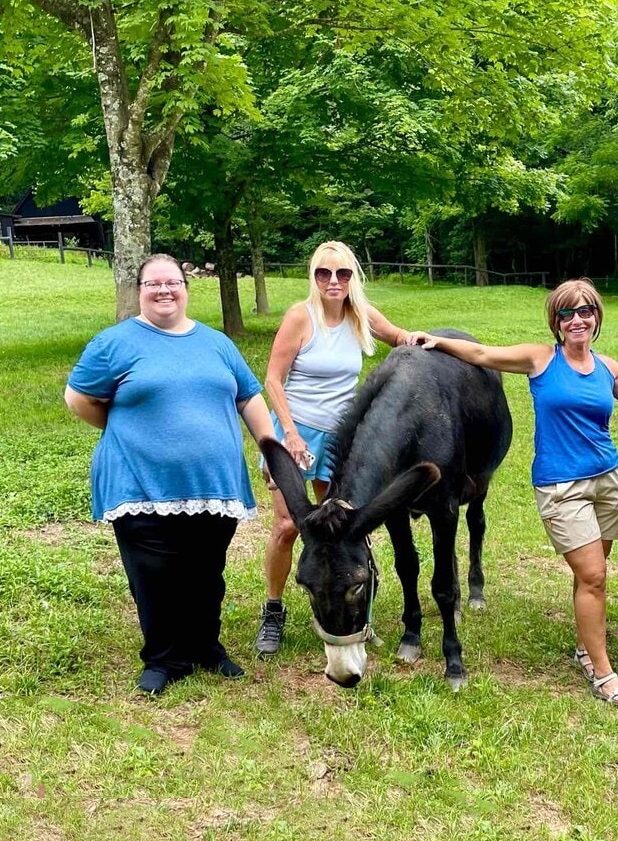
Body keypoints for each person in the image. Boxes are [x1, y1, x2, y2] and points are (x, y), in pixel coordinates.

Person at [406, 279, 618, 708]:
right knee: (593, 576)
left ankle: (585, 647)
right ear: (555, 322)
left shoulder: (608, 367)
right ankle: (604, 674)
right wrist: (436, 341)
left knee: (590, 574)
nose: (577, 320)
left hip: (606, 480)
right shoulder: (541, 359)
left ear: (597, 316)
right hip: (561, 485)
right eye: (566, 313)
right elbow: (481, 354)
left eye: (585, 310)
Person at [65, 254, 276, 695]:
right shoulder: (114, 343)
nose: (164, 291)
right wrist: (124, 427)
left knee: (206, 570)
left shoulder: (216, 343)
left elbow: (249, 398)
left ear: (185, 287)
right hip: (139, 482)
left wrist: (270, 450)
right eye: (153, 284)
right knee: (154, 572)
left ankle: (205, 647)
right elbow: (79, 399)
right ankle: (163, 659)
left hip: (213, 485)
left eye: (173, 282)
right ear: (138, 289)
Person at [255, 241, 410, 655]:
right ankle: (273, 610)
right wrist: (289, 433)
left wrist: (432, 344)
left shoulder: (359, 314)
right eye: (324, 273)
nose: (333, 281)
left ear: (353, 278)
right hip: (297, 432)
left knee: (342, 529)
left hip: (341, 443)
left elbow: (399, 337)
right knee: (289, 526)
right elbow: (273, 379)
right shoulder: (300, 318)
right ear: (314, 277)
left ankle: (354, 603)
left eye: (342, 274)